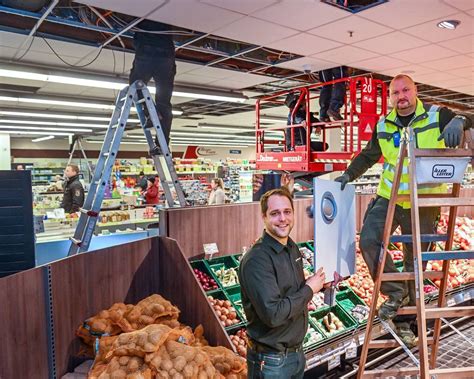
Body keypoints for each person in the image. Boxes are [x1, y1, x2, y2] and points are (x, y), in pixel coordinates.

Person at [334, 74, 472, 346]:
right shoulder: (384, 124)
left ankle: (405, 322)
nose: (401, 96)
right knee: (370, 240)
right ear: (390, 97)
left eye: (405, 90)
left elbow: (472, 119)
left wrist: (460, 119)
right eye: (395, 92)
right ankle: (395, 292)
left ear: (415, 91)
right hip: (390, 197)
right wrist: (348, 175)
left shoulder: (437, 115)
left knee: (414, 265)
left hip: (423, 204)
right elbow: (369, 155)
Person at [239, 188, 326, 378]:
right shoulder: (257, 260)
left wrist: (319, 284)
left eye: (287, 212)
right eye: (275, 213)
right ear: (264, 217)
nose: (282, 218)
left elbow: (294, 292)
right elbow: (274, 314)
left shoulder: (291, 248)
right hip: (271, 361)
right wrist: (310, 289)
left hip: (295, 354)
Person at [129, 20, 176, 146]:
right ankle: (162, 144)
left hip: (147, 52)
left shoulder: (145, 13)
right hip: (165, 56)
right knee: (164, 102)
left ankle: (150, 113)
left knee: (135, 86)